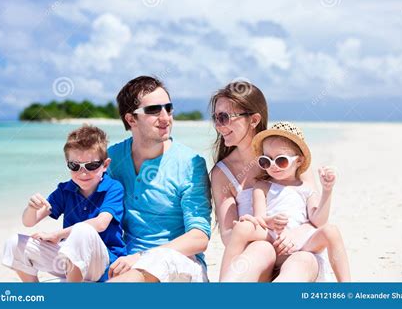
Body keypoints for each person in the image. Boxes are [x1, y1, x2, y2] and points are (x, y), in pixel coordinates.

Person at [210, 80, 324, 282]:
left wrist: (296, 235)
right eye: (216, 118)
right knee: (261, 249)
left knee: (302, 260)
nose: (219, 126)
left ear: (253, 120)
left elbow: (317, 219)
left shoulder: (290, 157)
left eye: (224, 117)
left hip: (298, 252)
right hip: (254, 263)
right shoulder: (222, 173)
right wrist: (259, 229)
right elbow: (229, 236)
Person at [106, 75, 212, 282]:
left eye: (168, 108)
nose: (165, 117)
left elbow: (199, 237)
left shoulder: (191, 163)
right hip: (125, 261)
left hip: (180, 264)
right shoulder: (114, 158)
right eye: (153, 110)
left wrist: (143, 257)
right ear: (131, 119)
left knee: (160, 259)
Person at [220, 121, 350, 281]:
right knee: (242, 228)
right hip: (271, 239)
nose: (273, 166)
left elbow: (318, 221)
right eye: (266, 161)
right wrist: (268, 221)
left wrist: (327, 191)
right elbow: (260, 218)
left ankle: (346, 287)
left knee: (331, 231)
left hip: (300, 244)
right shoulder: (262, 186)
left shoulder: (306, 189)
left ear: (299, 161)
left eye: (281, 160)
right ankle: (224, 282)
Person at [2, 125, 126, 282]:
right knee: (15, 243)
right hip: (70, 263)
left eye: (91, 166)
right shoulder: (65, 190)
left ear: (105, 165)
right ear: (68, 163)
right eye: (75, 166)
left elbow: (100, 223)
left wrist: (57, 235)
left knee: (83, 229)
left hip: (104, 264)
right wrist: (31, 208)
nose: (83, 173)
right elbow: (29, 222)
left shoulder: (113, 188)